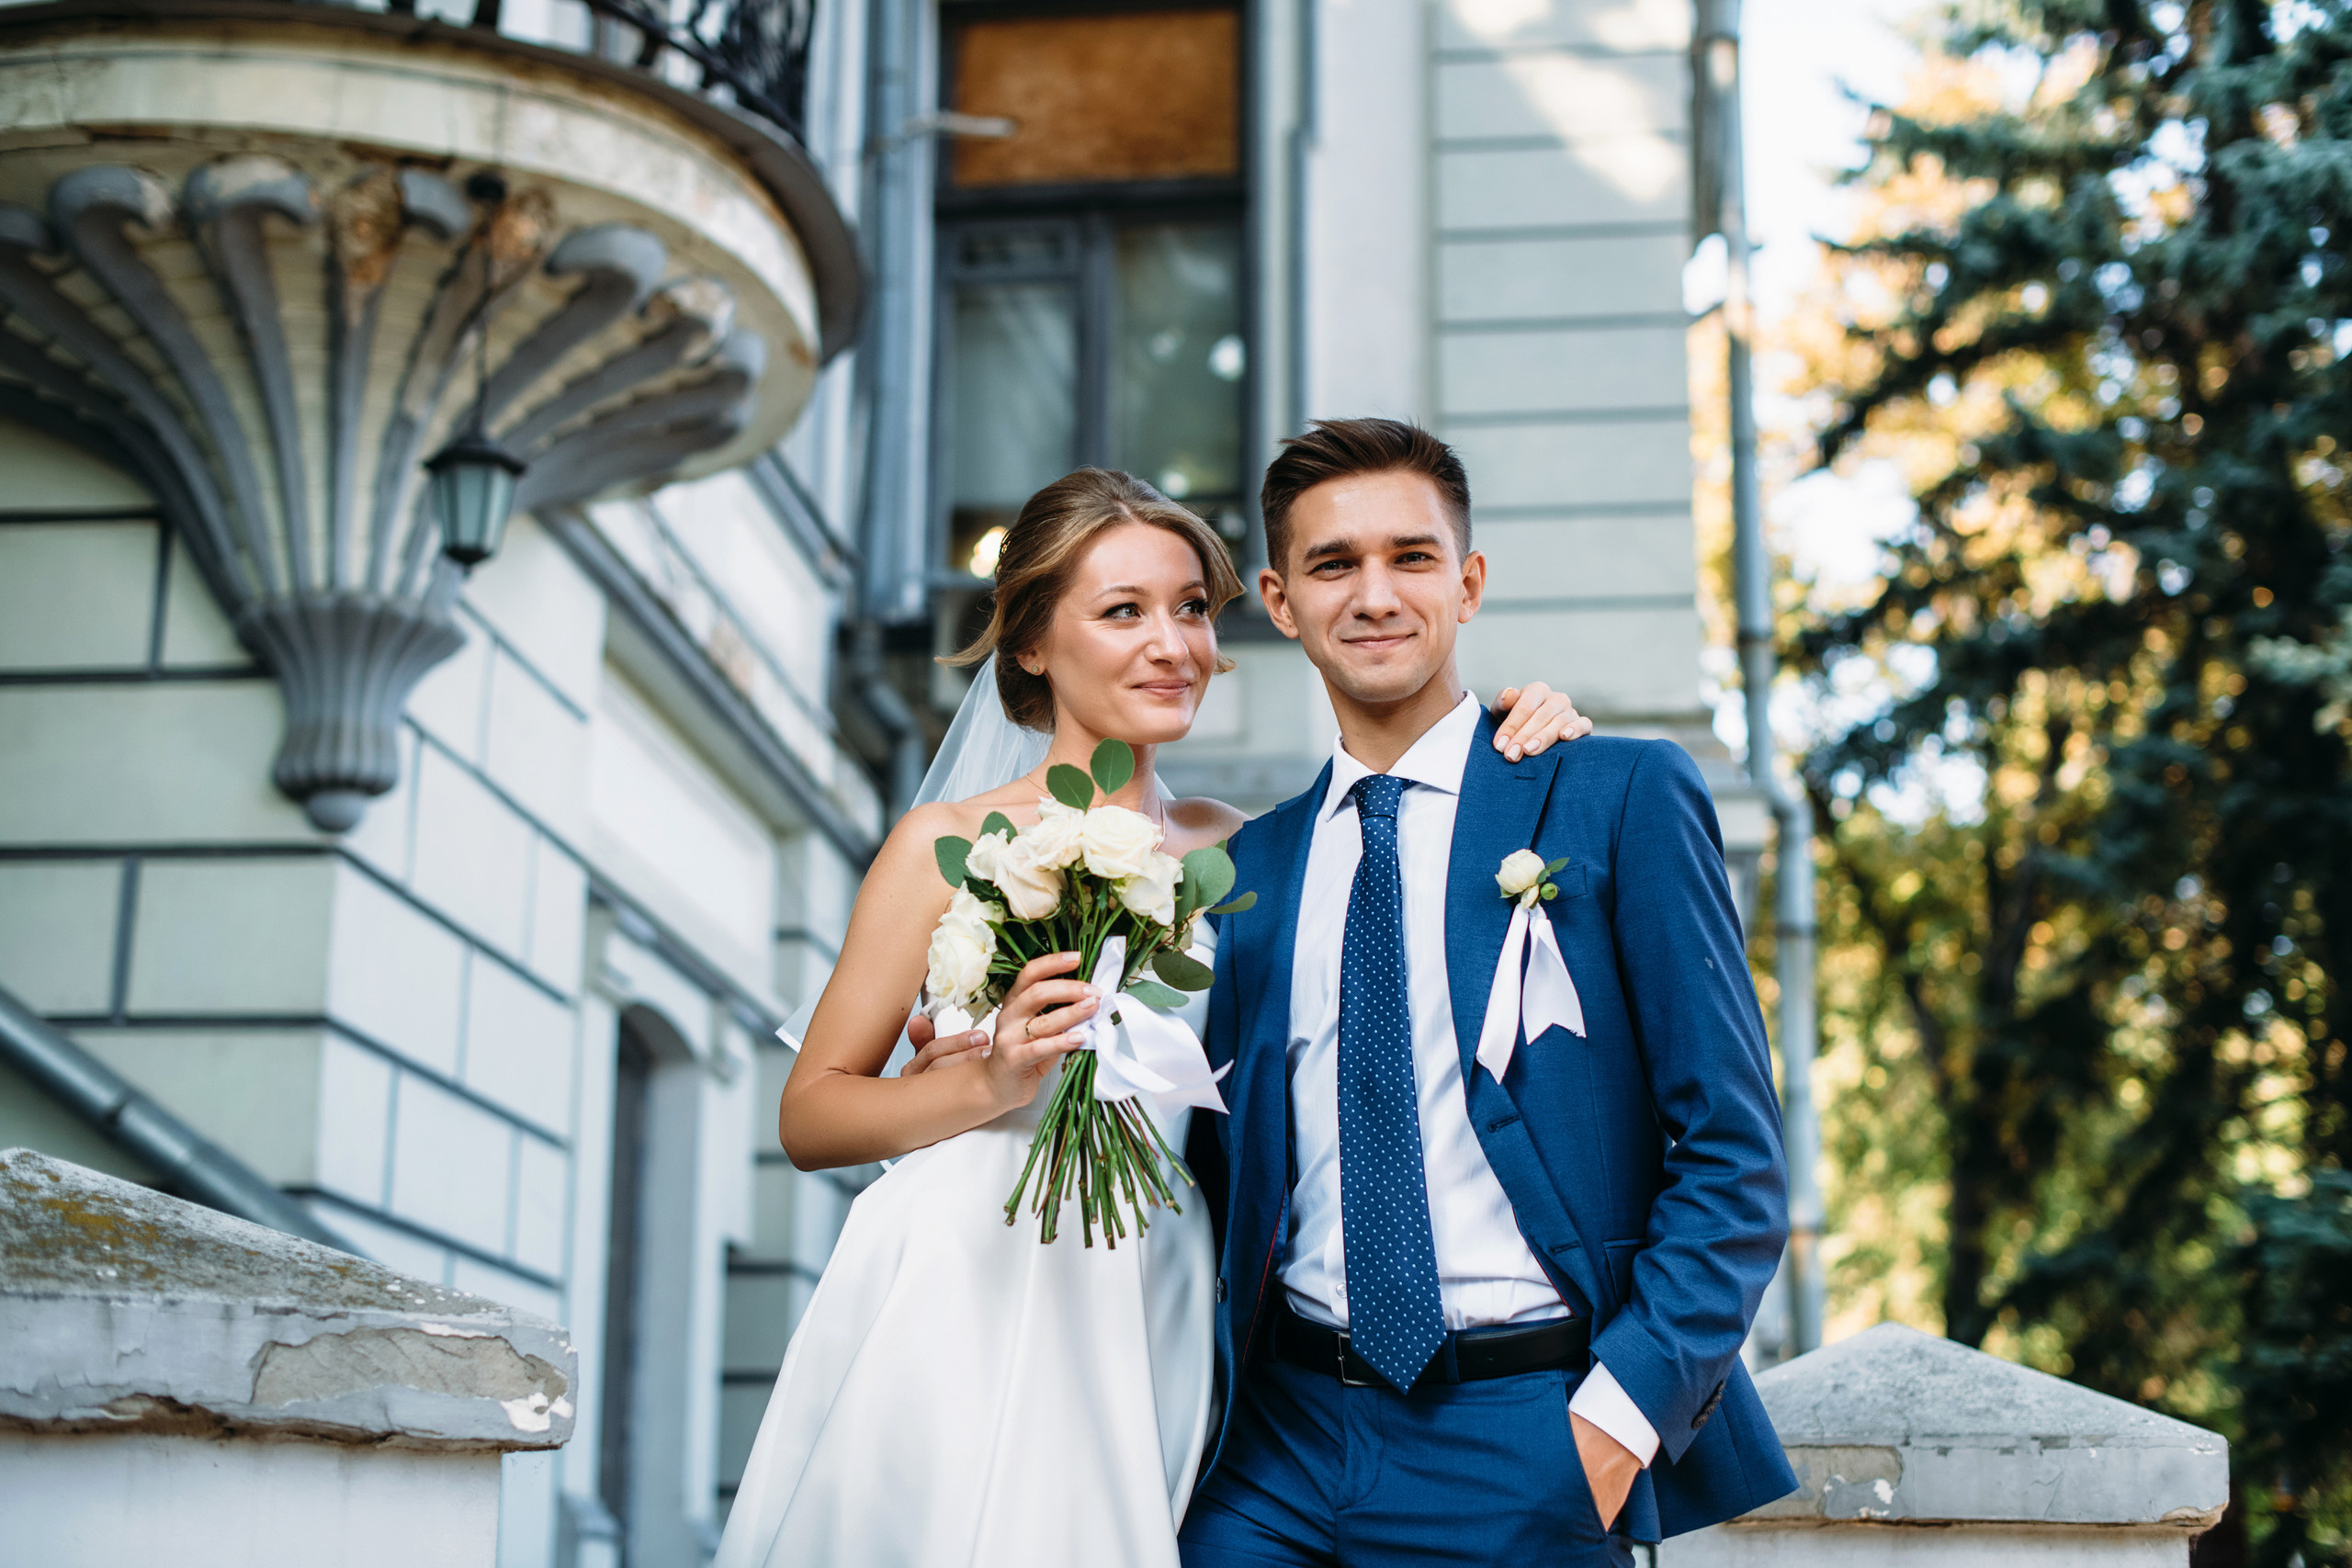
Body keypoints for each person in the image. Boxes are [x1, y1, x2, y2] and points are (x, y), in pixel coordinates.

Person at [713, 466, 1592, 1568]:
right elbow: (811, 1116)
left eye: (1188, 608)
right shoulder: (940, 844)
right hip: (965, 1272)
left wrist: (1518, 724)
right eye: (1122, 611)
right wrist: (978, 1083)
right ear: (1031, 642)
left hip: (1156, 1283)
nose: (1171, 644)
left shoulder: (1255, 851)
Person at [1175, 419, 1799, 1568]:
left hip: (1526, 1440)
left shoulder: (1611, 795)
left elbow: (1734, 1150)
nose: (1374, 595)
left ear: (1466, 584)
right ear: (1277, 599)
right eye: (1332, 564)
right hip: (1276, 1453)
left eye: (1411, 558)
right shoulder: (1245, 872)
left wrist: (1612, 1427)